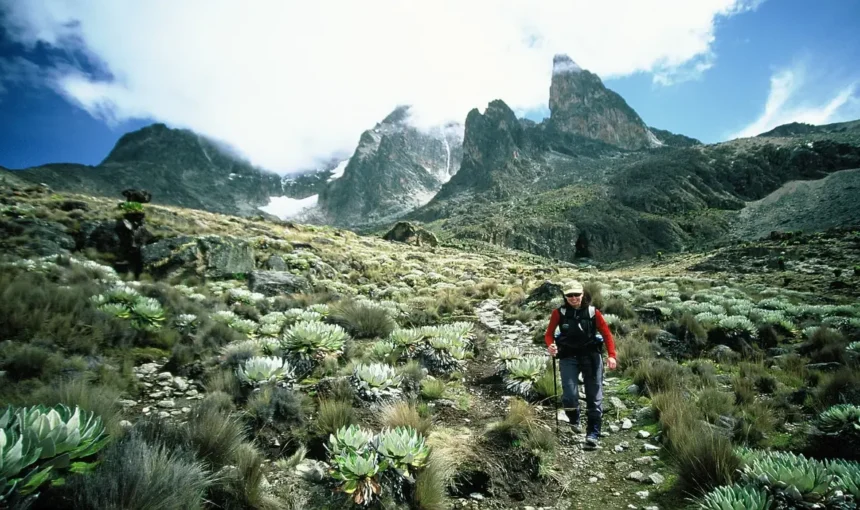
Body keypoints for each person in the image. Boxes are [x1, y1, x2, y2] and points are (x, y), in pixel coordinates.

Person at [545, 280, 617, 447]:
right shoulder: (559, 313)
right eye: (569, 295)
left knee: (594, 396)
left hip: (591, 356)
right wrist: (551, 346)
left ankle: (593, 433)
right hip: (568, 356)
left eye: (576, 294)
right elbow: (549, 334)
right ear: (565, 296)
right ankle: (574, 419)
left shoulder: (593, 312)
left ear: (582, 294)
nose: (573, 298)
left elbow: (607, 335)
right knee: (569, 394)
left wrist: (611, 355)